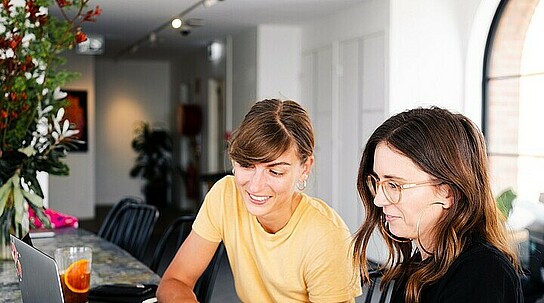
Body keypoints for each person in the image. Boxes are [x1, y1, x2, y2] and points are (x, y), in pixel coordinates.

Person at [157, 99, 361, 302]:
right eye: (246, 165)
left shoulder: (326, 236)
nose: (255, 187)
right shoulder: (225, 195)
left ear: (304, 168)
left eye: (275, 171)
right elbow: (175, 281)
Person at [352, 107, 524, 303]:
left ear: (447, 192)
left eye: (394, 185)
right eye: (377, 181)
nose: (378, 200)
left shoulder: (483, 274)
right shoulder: (421, 266)